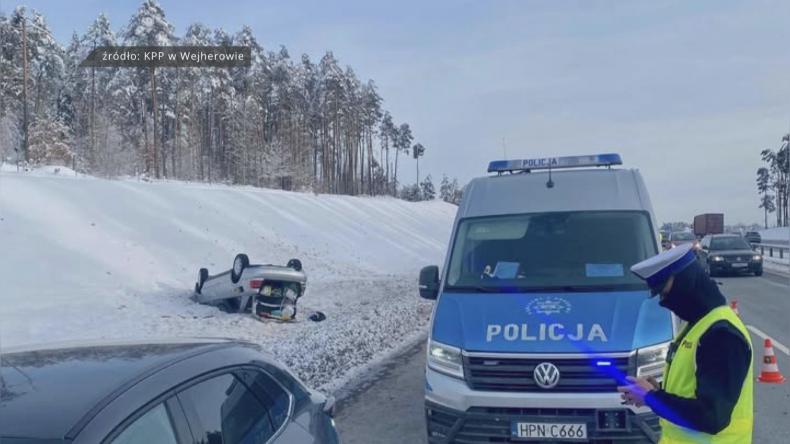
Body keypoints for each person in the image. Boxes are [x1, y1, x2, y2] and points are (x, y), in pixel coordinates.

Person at [618, 243, 753, 443]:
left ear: (686, 284)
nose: (665, 302)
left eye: (666, 294)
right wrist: (657, 390)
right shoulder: (697, 324)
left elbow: (712, 416)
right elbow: (694, 385)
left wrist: (652, 398)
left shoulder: (721, 335)